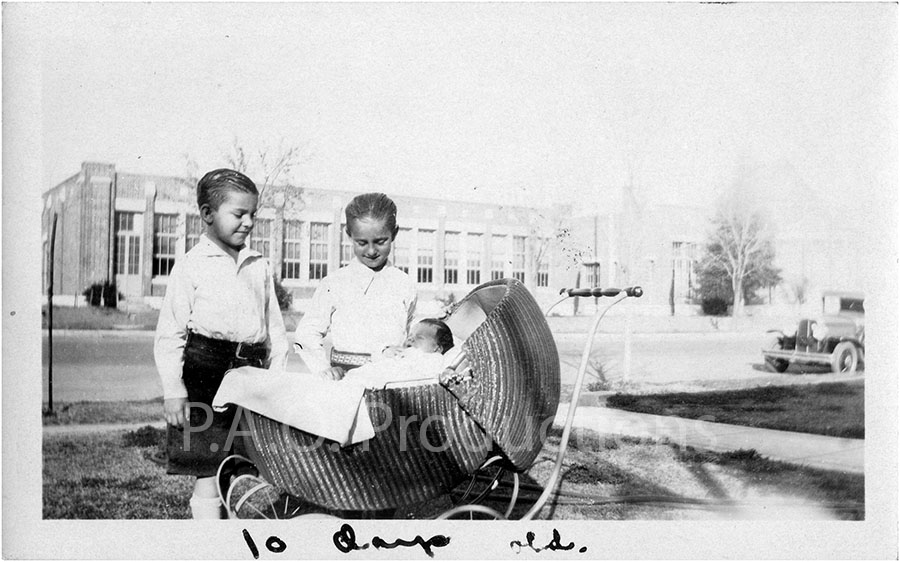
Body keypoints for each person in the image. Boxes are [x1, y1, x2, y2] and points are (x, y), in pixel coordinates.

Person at [154, 168, 289, 519]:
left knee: (246, 464)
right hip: (205, 372)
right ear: (207, 214)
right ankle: (209, 546)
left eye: (253, 215)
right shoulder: (191, 265)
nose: (248, 222)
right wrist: (173, 390)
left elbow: (274, 329)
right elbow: (170, 333)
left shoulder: (258, 265)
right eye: (239, 214)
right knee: (207, 467)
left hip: (252, 374)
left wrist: (276, 379)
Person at [294, 192, 417, 380]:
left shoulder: (404, 284)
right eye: (362, 243)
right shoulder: (335, 283)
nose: (371, 251)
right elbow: (307, 332)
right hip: (347, 381)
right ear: (349, 235)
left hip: (392, 382)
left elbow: (412, 334)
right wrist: (322, 368)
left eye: (380, 241)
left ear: (394, 234)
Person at [346, 318, 456, 388]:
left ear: (437, 348)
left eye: (420, 337)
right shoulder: (405, 353)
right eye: (410, 336)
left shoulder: (433, 359)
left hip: (381, 386)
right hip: (364, 378)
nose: (411, 339)